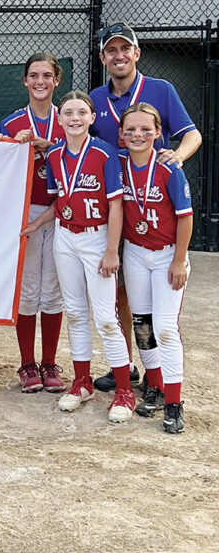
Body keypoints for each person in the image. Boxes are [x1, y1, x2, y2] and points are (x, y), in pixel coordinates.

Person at [89, 22, 202, 393]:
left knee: (154, 299)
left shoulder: (160, 90)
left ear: (137, 53)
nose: (119, 56)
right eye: (111, 50)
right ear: (104, 57)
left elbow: (192, 133)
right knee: (120, 290)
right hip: (114, 206)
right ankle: (128, 363)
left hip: (151, 207)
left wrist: (178, 157)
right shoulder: (95, 96)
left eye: (126, 49)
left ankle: (158, 376)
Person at [22, 91, 136, 423]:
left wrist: (112, 249)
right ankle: (82, 381)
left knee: (104, 317)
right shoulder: (55, 155)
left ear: (91, 118)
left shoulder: (105, 153)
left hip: (97, 237)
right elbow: (60, 202)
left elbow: (116, 205)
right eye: (68, 112)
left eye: (81, 112)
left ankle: (124, 391)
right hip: (65, 235)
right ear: (60, 119)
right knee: (74, 312)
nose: (74, 118)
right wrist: (36, 223)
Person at [118, 103, 192, 433]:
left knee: (164, 327)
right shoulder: (117, 164)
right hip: (135, 252)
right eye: (130, 129)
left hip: (166, 255)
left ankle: (175, 402)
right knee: (142, 324)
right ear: (121, 134)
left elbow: (185, 217)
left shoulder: (168, 166)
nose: (138, 134)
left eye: (146, 129)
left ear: (158, 133)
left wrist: (179, 260)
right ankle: (156, 386)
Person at [0, 53, 66, 394]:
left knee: (52, 291)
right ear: (24, 81)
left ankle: (50, 361)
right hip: (23, 213)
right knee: (27, 292)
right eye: (33, 76)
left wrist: (52, 146)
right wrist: (12, 145)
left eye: (46, 76)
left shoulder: (69, 120)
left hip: (61, 212)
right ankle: (27, 363)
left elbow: (81, 155)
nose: (40, 81)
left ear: (57, 80)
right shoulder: (11, 123)